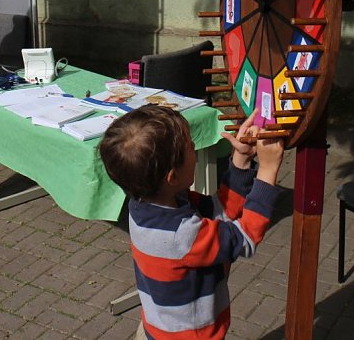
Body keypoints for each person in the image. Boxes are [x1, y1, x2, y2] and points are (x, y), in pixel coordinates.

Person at [98, 106, 285, 340]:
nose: (195, 148)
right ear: (172, 177)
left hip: (158, 330)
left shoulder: (142, 203)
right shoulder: (182, 235)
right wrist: (267, 171)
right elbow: (244, 238)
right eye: (189, 146)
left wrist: (240, 161)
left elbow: (217, 213)